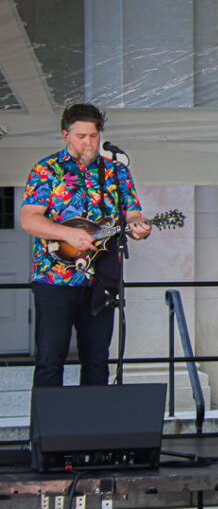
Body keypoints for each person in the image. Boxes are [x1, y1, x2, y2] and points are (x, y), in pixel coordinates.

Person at [21, 103, 152, 387]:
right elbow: (30, 220)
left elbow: (130, 213)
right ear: (65, 134)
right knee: (49, 359)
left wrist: (139, 226)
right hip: (54, 279)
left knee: (96, 359)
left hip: (100, 279)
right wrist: (67, 234)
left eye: (93, 135)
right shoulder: (47, 170)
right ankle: (47, 431)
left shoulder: (116, 171)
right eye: (81, 136)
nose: (88, 142)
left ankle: (94, 430)